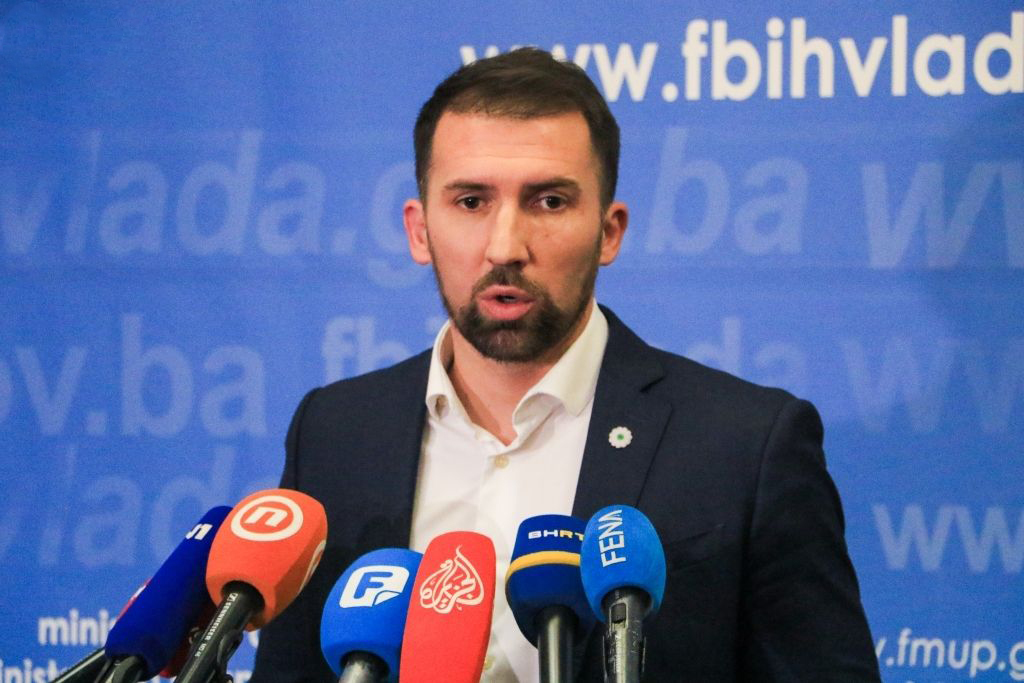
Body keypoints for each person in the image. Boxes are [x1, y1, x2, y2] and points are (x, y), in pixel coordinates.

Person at [252, 48, 880, 681]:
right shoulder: (335, 432)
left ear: (609, 231)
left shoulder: (746, 445)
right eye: (470, 202)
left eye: (549, 201)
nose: (505, 246)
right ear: (419, 230)